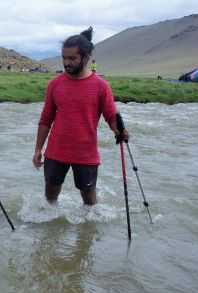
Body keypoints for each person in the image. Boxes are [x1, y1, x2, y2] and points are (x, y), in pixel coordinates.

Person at [32, 27, 128, 206]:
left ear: (85, 57)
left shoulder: (101, 86)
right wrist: (38, 149)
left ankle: (88, 231)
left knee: (89, 201)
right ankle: (50, 231)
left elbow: (111, 115)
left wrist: (119, 131)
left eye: (72, 58)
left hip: (86, 154)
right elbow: (46, 119)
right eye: (64, 58)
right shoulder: (55, 84)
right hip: (55, 151)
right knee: (50, 198)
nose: (66, 63)